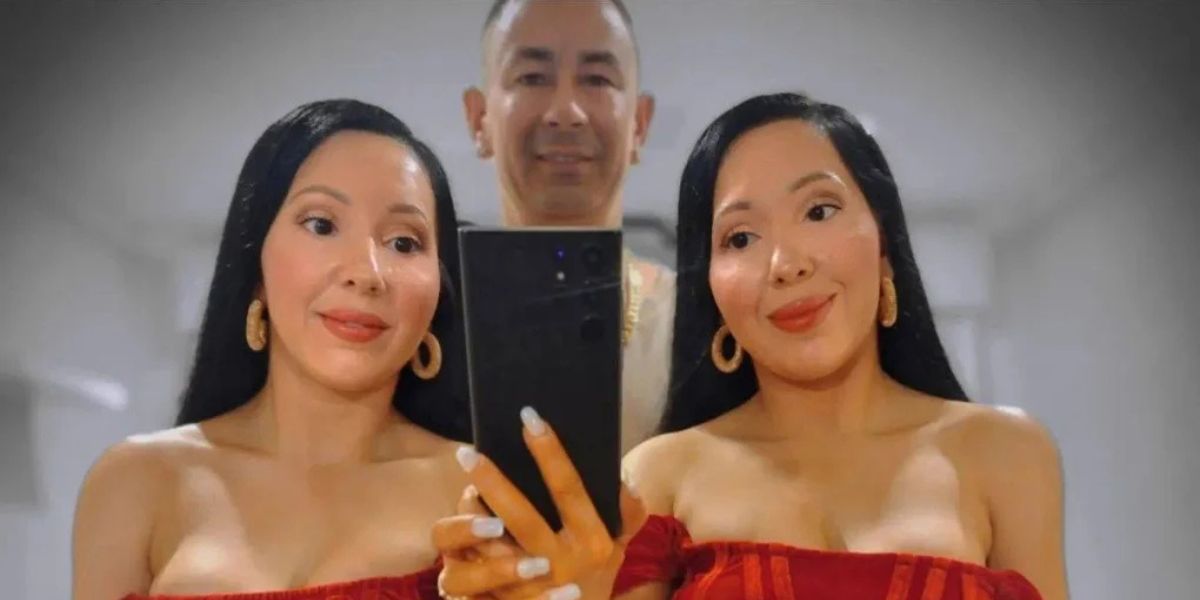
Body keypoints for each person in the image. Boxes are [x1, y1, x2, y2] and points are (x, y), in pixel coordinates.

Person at [433, 93, 1068, 600]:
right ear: (711, 291)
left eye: (819, 210)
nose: (786, 264)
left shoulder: (1005, 453)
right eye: (739, 238)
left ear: (884, 243)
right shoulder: (660, 477)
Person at [71, 100, 522, 600]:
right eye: (322, 225)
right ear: (255, 269)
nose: (367, 273)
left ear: (439, 289)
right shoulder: (137, 481)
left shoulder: (485, 486)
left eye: (403, 242)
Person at [464, 0, 673, 451]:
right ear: (479, 119)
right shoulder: (424, 325)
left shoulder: (697, 324)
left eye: (597, 79)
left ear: (639, 125)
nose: (566, 111)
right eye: (532, 78)